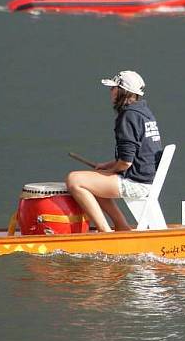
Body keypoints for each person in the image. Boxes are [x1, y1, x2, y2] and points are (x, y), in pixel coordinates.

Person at [66, 70, 162, 232]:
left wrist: (111, 170)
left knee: (74, 180)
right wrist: (106, 166)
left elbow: (126, 163)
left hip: (138, 182)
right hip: (146, 177)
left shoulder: (128, 116)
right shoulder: (144, 112)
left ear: (122, 91)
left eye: (113, 88)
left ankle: (105, 231)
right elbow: (136, 155)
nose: (111, 92)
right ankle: (121, 226)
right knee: (93, 179)